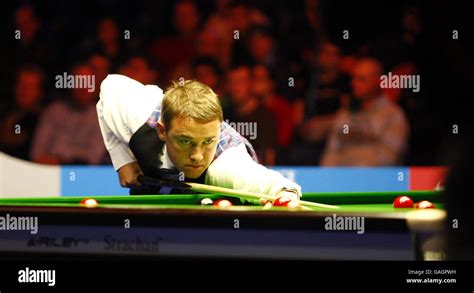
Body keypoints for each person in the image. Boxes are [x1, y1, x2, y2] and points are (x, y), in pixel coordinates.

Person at [96, 74, 301, 204]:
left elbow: (256, 179)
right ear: (162, 131)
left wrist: (284, 192)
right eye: (185, 141)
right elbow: (109, 88)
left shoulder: (225, 163)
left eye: (208, 142)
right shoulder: (140, 113)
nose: (197, 156)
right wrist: (122, 159)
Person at [320, 58, 409, 166]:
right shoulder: (345, 113)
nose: (354, 83)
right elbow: (331, 152)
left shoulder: (394, 115)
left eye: (361, 79)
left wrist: (352, 165)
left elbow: (387, 159)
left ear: (378, 81)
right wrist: (327, 177)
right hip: (339, 179)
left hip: (375, 180)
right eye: (353, 78)